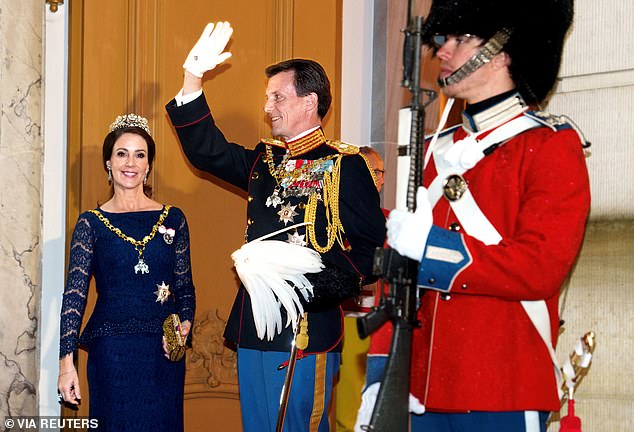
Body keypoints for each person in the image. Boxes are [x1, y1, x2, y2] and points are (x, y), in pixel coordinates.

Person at [357, 0, 591, 431]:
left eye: (461, 39)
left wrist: (432, 248)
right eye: (444, 39)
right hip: (420, 388)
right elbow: (400, 278)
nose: (442, 51)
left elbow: (538, 268)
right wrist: (378, 378)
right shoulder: (434, 149)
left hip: (501, 387)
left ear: (502, 51)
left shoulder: (552, 145)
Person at [165, 22, 386, 432]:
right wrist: (192, 79)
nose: (268, 107)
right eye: (268, 97)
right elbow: (207, 152)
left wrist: (315, 288)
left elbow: (371, 251)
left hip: (307, 327)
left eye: (277, 97)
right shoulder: (264, 162)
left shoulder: (346, 165)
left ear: (310, 102)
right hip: (255, 326)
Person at [58, 114, 196, 432]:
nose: (129, 162)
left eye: (139, 154)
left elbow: (185, 285)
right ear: (108, 163)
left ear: (148, 165)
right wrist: (67, 363)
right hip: (112, 354)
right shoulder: (90, 223)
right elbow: (74, 297)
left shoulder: (173, 218)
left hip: (163, 351)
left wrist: (184, 323)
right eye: (121, 153)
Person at [336, 146, 387, 432]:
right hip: (345, 324)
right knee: (345, 417)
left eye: (380, 173)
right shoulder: (333, 222)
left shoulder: (391, 221)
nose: (378, 180)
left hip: (379, 328)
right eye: (373, 172)